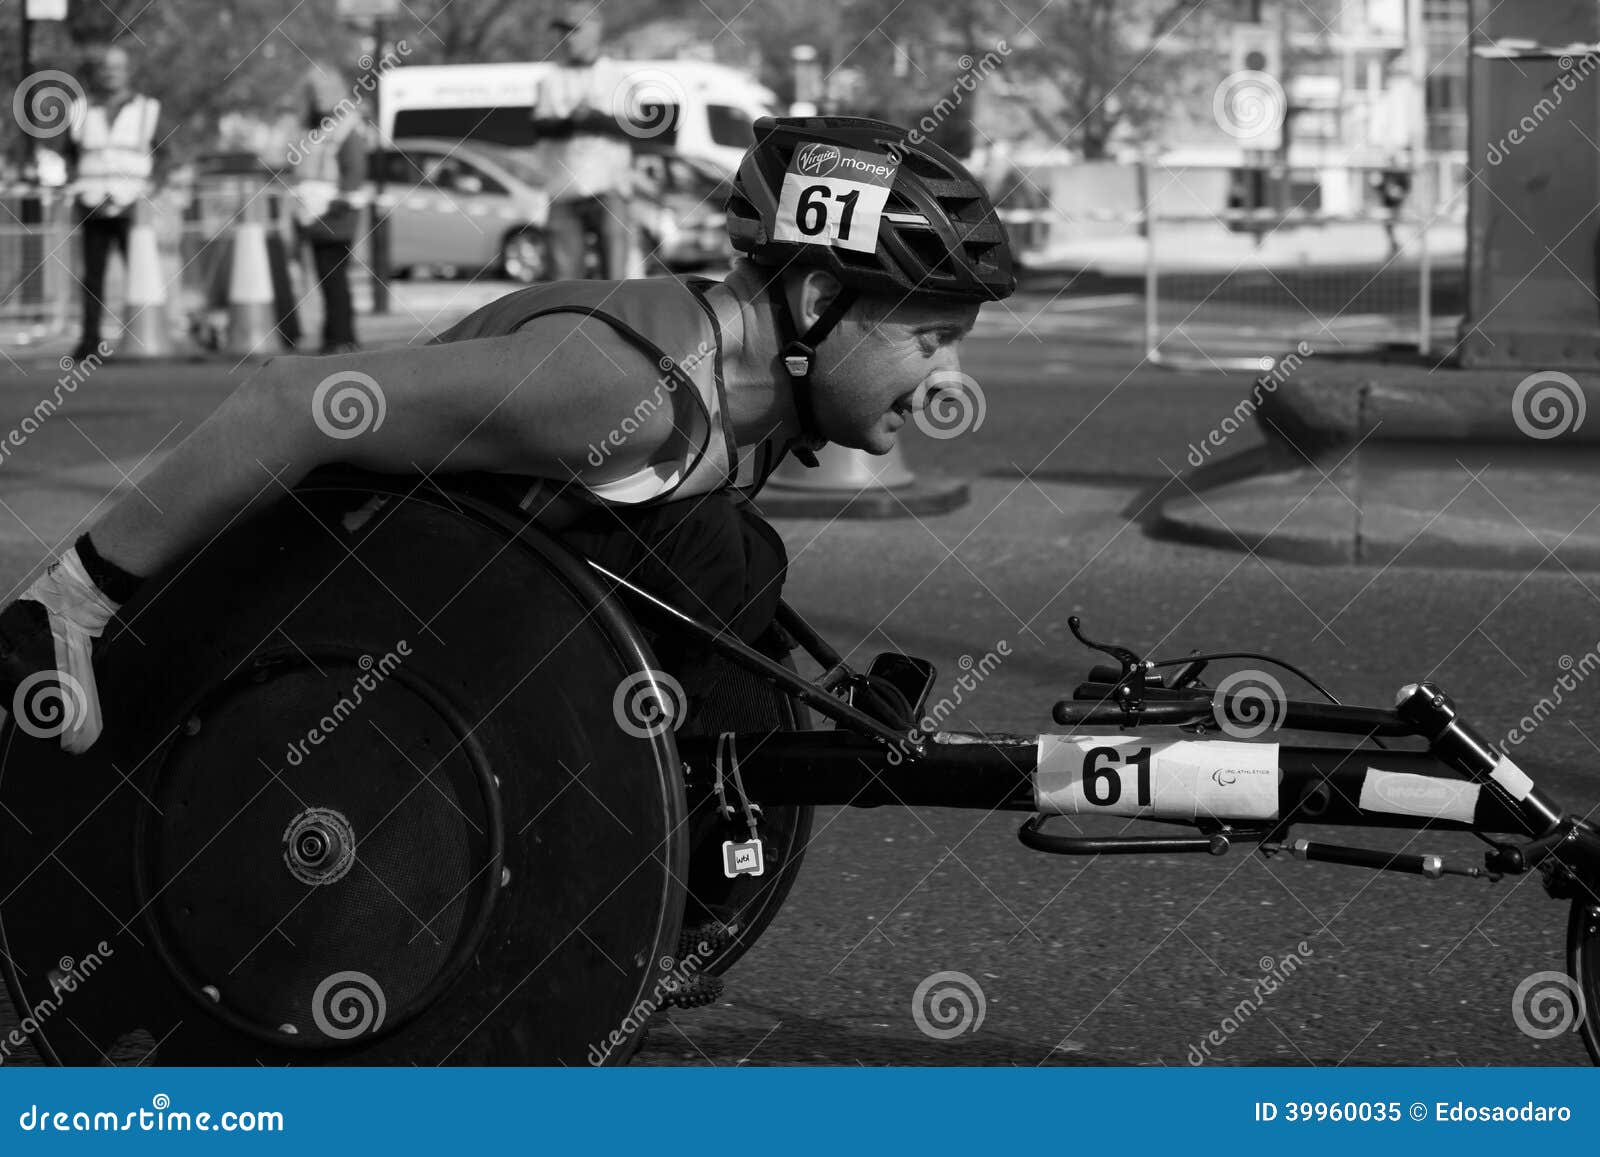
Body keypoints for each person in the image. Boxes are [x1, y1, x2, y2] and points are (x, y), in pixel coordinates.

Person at [0, 115, 1015, 753]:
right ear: (821, 296)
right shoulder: (621, 389)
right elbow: (288, 397)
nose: (948, 381)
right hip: (294, 624)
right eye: (932, 338)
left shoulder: (744, 394)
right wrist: (76, 600)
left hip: (439, 606)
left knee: (729, 561)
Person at [61, 41, 164, 363]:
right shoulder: (80, 109)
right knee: (92, 276)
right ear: (99, 73)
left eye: (117, 68)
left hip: (134, 205)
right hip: (92, 204)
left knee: (141, 271)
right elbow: (69, 154)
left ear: (127, 72)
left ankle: (145, 336)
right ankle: (89, 342)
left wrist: (153, 191)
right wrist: (73, 184)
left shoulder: (147, 109)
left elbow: (165, 156)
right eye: (106, 68)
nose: (111, 74)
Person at [532, 2, 636, 280]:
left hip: (609, 189)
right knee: (564, 283)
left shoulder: (615, 76)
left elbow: (635, 126)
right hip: (564, 190)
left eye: (573, 31)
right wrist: (572, 121)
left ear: (594, 31)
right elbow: (541, 127)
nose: (566, 39)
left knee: (615, 282)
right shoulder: (550, 79)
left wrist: (595, 118)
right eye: (562, 32)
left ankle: (614, 323)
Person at [281, 62, 371, 354]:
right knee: (326, 279)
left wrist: (333, 203)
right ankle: (334, 337)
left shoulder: (346, 127)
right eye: (314, 91)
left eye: (322, 91)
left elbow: (354, 173)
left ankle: (341, 338)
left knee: (334, 279)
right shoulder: (314, 127)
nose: (318, 97)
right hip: (313, 215)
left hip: (335, 214)